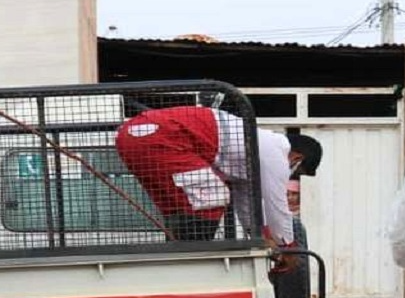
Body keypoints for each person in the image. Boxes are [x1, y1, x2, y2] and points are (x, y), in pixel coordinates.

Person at [114, 106, 321, 261]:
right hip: (163, 136)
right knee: (213, 196)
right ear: (296, 158)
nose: (291, 175)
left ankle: (180, 251)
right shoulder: (275, 152)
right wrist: (290, 247)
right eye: (297, 171)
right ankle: (194, 258)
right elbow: (277, 206)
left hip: (130, 135)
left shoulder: (246, 153)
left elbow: (247, 205)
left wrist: (261, 237)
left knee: (181, 204)